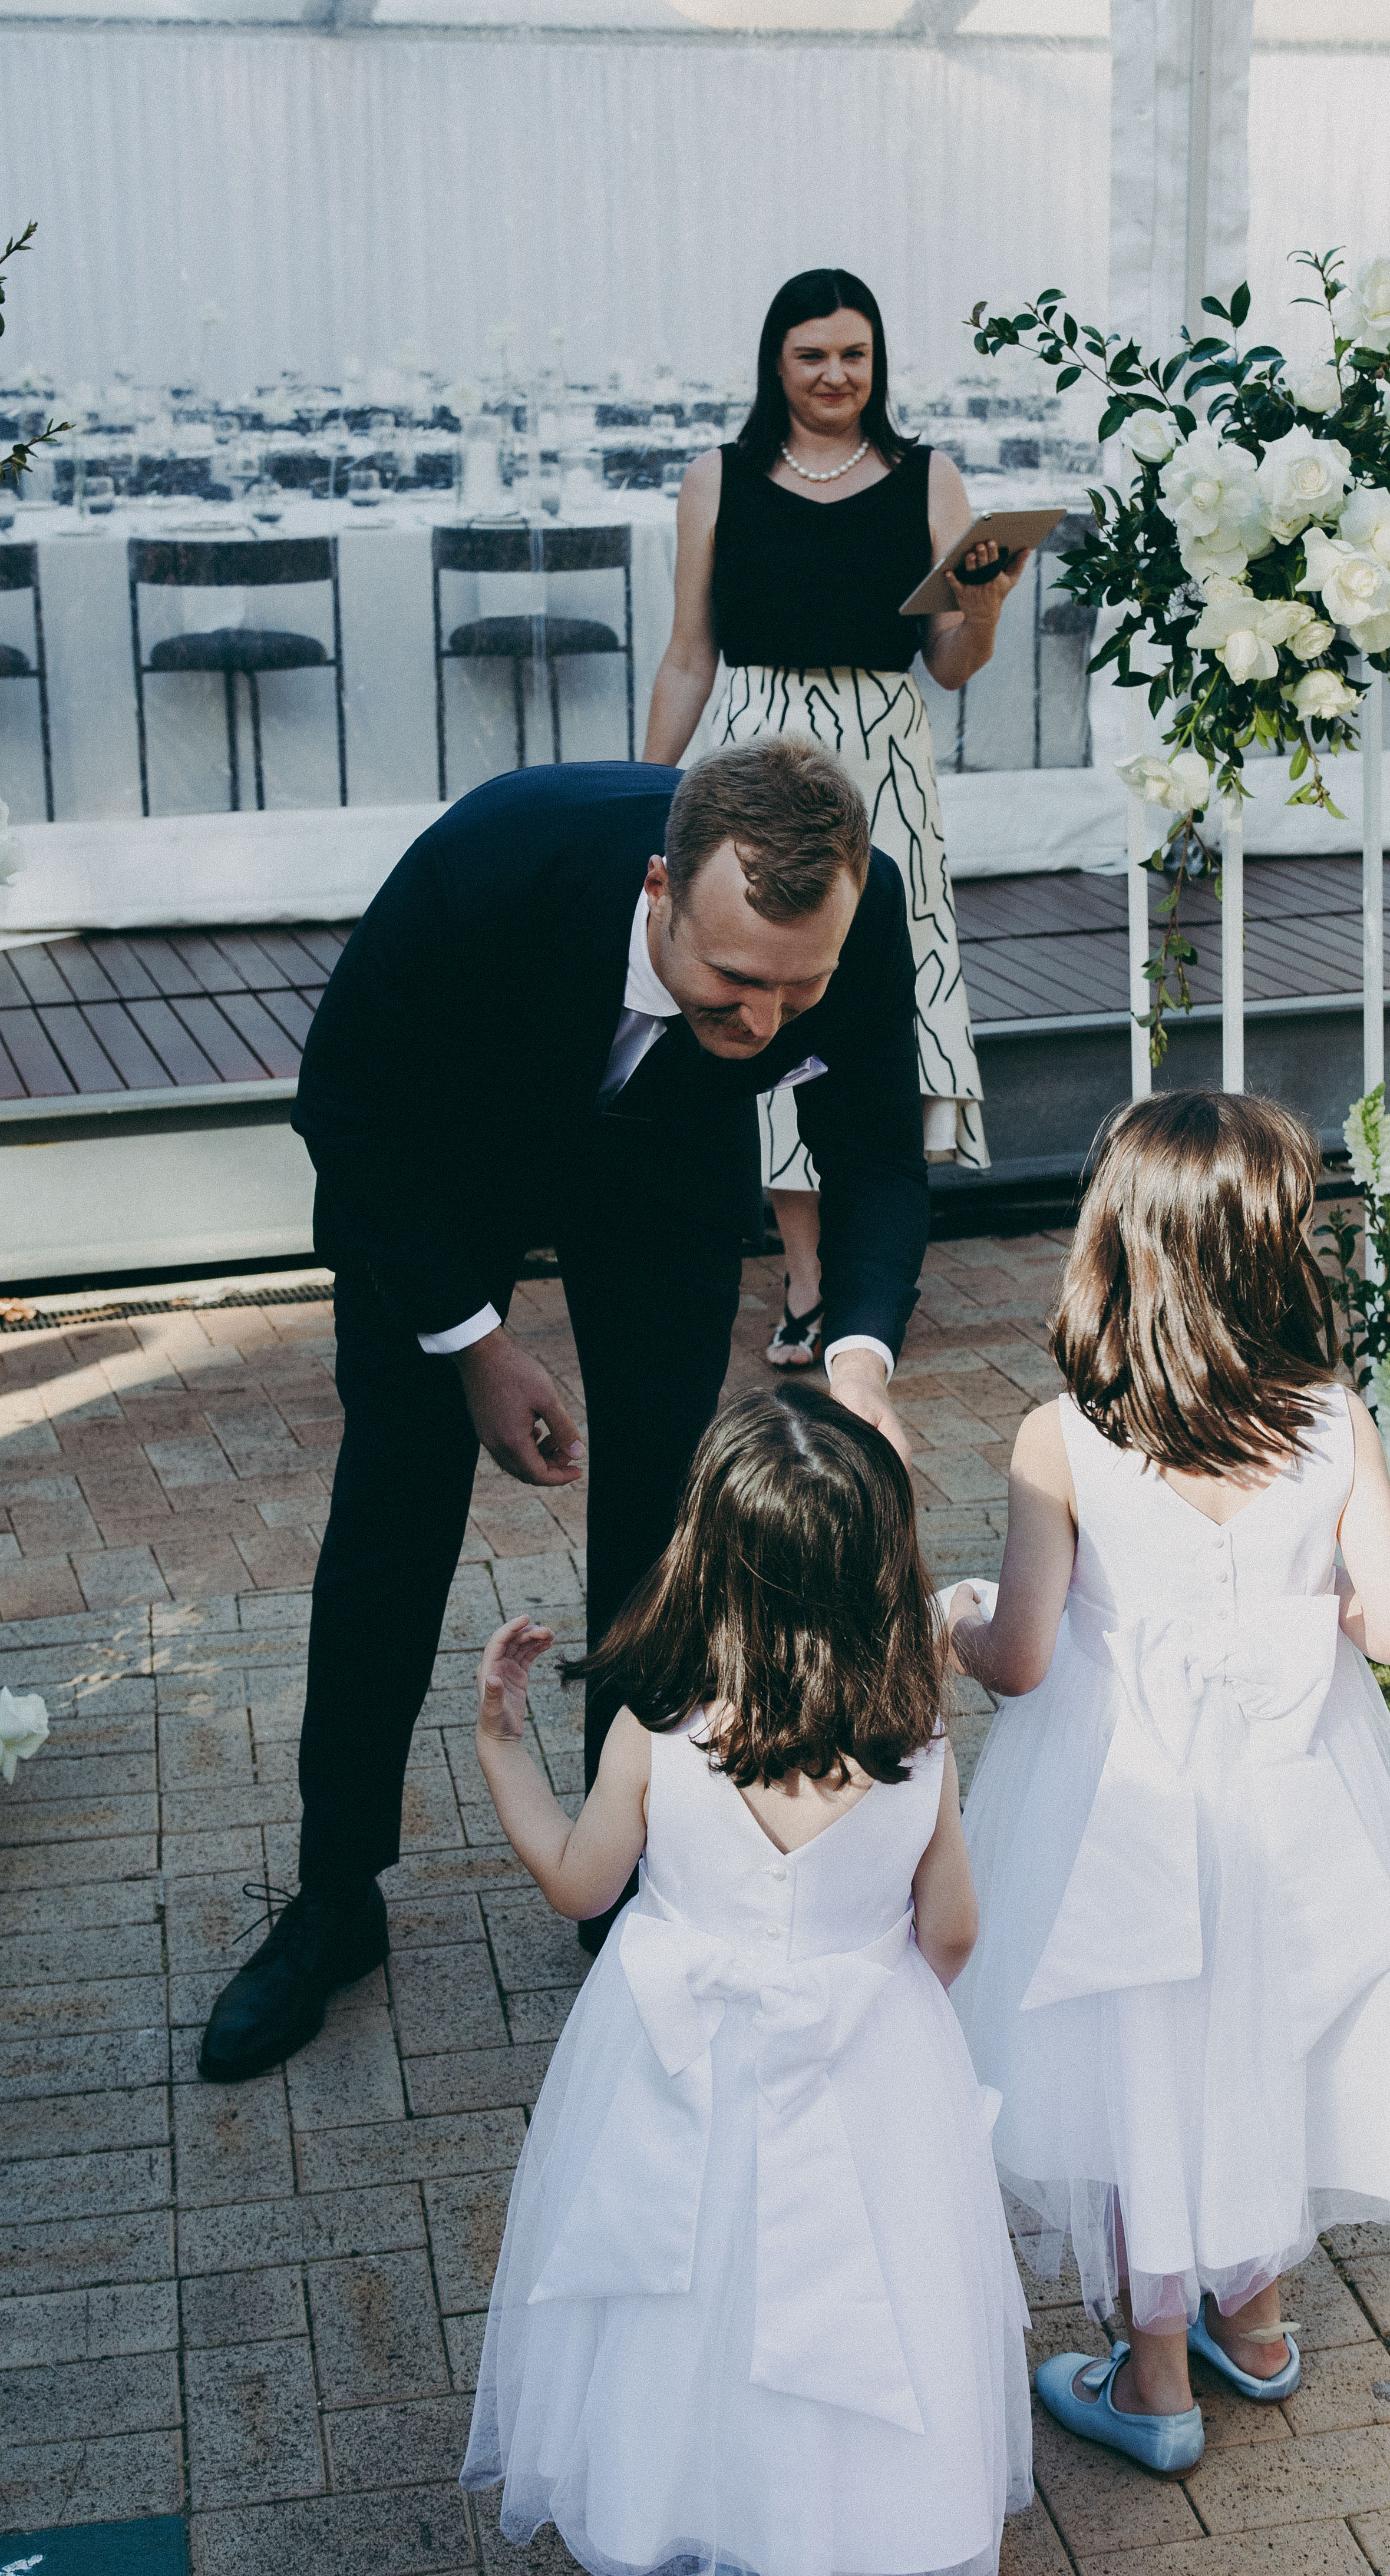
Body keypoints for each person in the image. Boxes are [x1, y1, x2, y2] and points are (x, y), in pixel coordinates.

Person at [197, 740, 932, 2084]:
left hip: (656, 1164)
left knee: (665, 1506)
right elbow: (345, 1106)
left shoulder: (856, 903)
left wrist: (863, 1360)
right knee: (394, 1512)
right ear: (660, 889)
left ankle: (623, 1867)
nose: (768, 1022)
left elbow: (879, 1148)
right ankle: (333, 1899)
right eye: (733, 982)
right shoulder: (491, 867)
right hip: (441, 1155)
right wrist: (476, 1344)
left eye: (798, 989)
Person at [462, 1387, 1032, 2576]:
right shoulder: (916, 1748)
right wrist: (875, 2007)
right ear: (875, 1570)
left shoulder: (657, 1739)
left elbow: (576, 1881)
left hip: (678, 2070)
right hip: (858, 2061)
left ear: (705, 1565)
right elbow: (950, 1931)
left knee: (691, 2296)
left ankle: (702, 2499)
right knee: (841, 2320)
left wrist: (496, 1742)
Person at [946, 1091, 1390, 2478]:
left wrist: (955, 1621)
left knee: (1141, 2069)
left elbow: (1018, 1657)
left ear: (1115, 1250)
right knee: (1262, 2038)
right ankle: (1255, 2324)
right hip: (1291, 1794)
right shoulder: (1329, 1422)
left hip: (1119, 1807)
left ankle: (1157, 2381)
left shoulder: (1060, 1437)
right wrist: (1304, 1610)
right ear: (1272, 1255)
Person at [644, 266, 1026, 1370]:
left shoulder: (929, 478)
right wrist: (640, 797)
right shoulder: (717, 478)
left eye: (854, 354)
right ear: (778, 360)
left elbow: (953, 663)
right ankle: (807, 1273)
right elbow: (686, 654)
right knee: (760, 990)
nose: (835, 375)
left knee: (868, 999)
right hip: (754, 743)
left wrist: (987, 608)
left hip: (884, 755)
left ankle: (867, 1255)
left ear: (879, 363)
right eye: (813, 354)